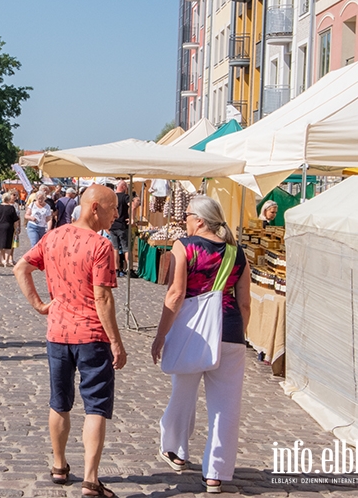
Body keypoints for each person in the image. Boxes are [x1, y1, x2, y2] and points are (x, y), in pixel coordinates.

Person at [13, 184, 126, 498]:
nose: (117, 213)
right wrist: (116, 341)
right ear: (94, 208)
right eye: (113, 207)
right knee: (96, 407)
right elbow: (102, 297)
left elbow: (21, 267)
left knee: (59, 402)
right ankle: (91, 480)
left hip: (58, 332)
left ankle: (59, 466)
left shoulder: (53, 236)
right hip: (91, 335)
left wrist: (39, 305)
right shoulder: (101, 246)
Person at [151, 195, 251, 494]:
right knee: (226, 406)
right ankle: (215, 474)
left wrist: (160, 336)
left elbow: (176, 294)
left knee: (182, 392)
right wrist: (237, 332)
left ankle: (176, 450)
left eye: (188, 214)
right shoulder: (237, 252)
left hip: (193, 332)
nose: (185, 219)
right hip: (230, 330)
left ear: (201, 220)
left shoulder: (185, 246)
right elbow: (244, 301)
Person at [110, 181, 132, 277]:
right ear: (123, 187)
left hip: (112, 225)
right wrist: (132, 216)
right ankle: (129, 269)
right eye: (126, 187)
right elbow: (132, 205)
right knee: (126, 249)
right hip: (122, 226)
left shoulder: (112, 197)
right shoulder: (125, 197)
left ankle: (116, 269)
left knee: (115, 248)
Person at [0, 191, 20, 267]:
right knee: (8, 244)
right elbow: (15, 219)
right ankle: (7, 261)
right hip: (8, 226)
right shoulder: (11, 208)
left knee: (0, 244)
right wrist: (16, 228)